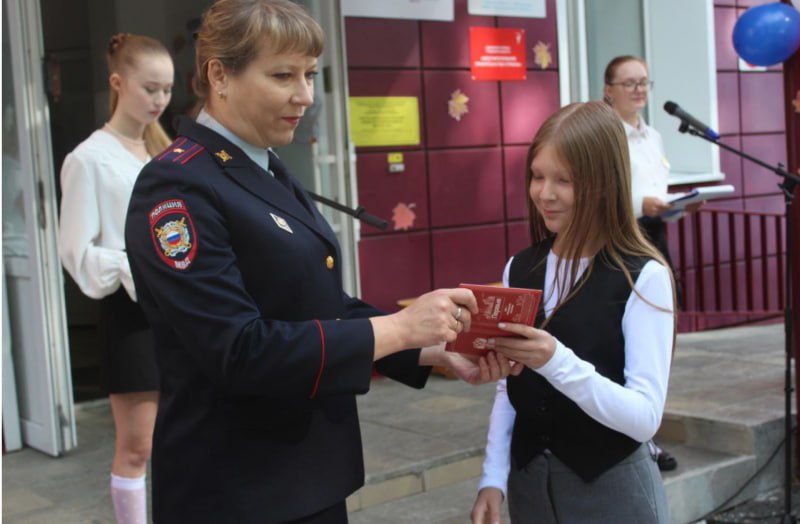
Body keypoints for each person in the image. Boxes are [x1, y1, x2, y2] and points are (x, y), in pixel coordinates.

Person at [123, 1, 514, 522]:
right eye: (283, 75)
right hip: (238, 490)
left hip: (304, 478)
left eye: (310, 74)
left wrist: (429, 350)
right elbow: (239, 350)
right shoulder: (177, 186)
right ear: (220, 75)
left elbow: (318, 307)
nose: (305, 95)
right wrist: (399, 328)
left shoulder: (264, 166)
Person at [470, 101, 676, 524]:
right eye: (538, 175)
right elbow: (509, 385)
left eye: (564, 180)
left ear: (604, 183)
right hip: (531, 485)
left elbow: (644, 419)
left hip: (612, 489)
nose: (545, 193)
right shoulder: (520, 266)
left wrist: (555, 360)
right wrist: (493, 476)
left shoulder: (643, 277)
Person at [58, 33, 173, 524]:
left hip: (178, 310)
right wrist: (134, 265)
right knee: (138, 447)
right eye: (150, 88)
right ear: (117, 82)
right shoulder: (88, 158)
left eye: (166, 90)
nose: (159, 100)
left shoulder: (163, 149)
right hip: (131, 316)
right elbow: (76, 254)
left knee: (178, 437)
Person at [604, 54, 689, 471]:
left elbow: (659, 184)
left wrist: (673, 205)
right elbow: (602, 190)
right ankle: (641, 439)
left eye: (644, 82)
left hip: (656, 235)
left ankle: (647, 425)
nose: (639, 90)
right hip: (621, 235)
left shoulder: (652, 135)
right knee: (627, 334)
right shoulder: (605, 135)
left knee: (660, 331)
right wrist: (643, 203)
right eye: (629, 83)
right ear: (609, 89)